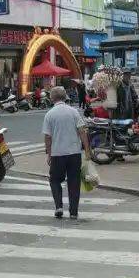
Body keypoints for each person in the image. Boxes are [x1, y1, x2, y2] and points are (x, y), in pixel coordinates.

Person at [42, 86, 91, 220]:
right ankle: (73, 212)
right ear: (65, 97)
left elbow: (47, 137)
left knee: (55, 180)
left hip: (58, 154)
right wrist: (87, 150)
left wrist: (49, 153)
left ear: (52, 98)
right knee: (74, 182)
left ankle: (58, 206)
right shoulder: (73, 112)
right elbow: (82, 131)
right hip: (74, 153)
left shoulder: (50, 114)